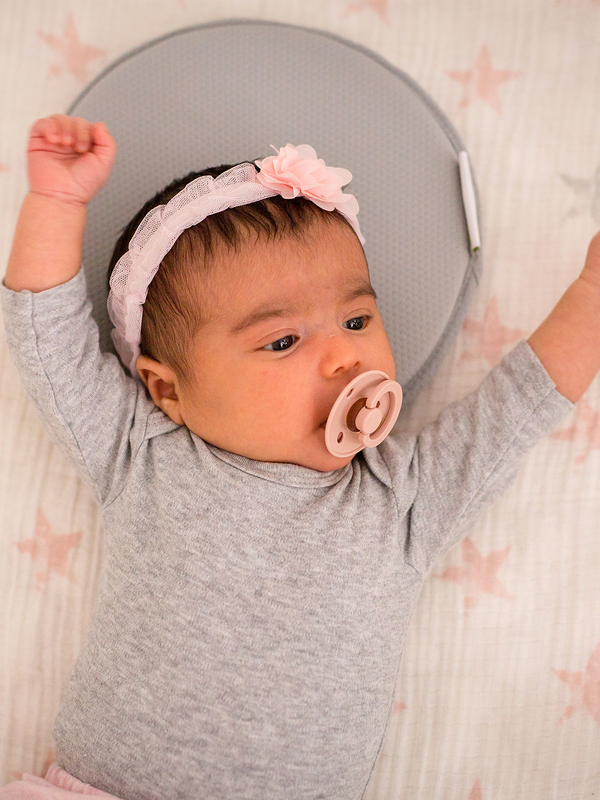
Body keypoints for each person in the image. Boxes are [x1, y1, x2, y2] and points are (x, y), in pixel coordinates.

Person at [1, 113, 598, 800]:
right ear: (169, 391)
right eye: (283, 341)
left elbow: (519, 406)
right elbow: (46, 335)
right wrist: (57, 201)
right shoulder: (142, 453)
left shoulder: (401, 498)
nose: (345, 353)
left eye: (356, 320)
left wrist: (592, 294)